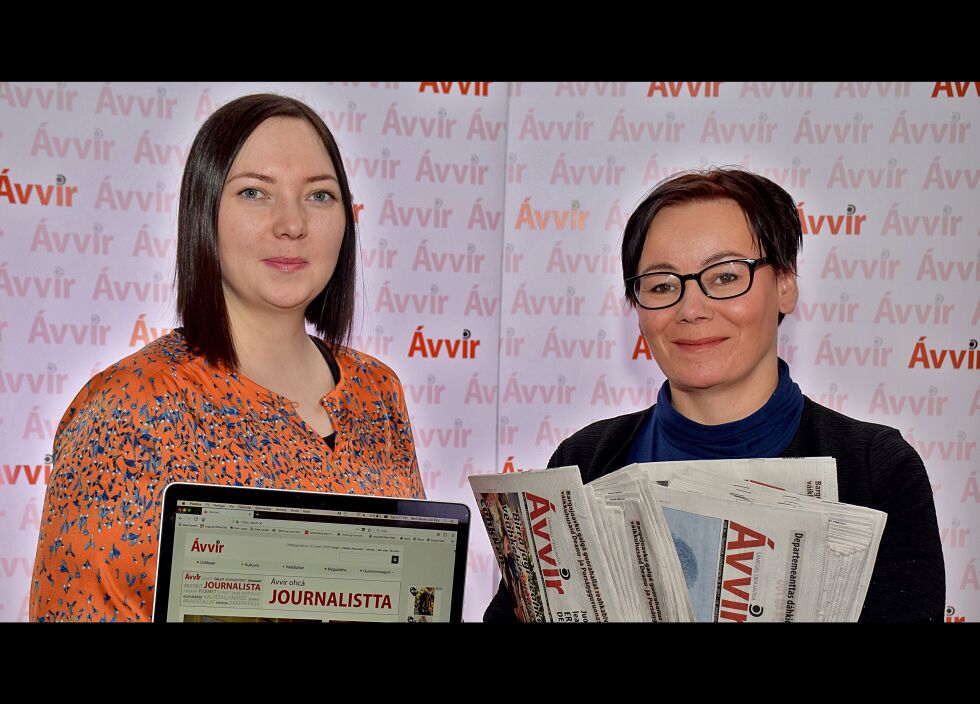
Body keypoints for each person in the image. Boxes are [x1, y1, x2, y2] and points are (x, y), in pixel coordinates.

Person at [484, 167, 944, 622]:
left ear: (785, 283)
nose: (691, 309)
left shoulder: (875, 468)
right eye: (662, 285)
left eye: (724, 277)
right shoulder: (584, 460)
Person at [30, 94, 425, 622]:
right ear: (203, 209)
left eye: (320, 196)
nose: (291, 223)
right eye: (255, 193)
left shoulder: (379, 391)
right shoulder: (129, 406)